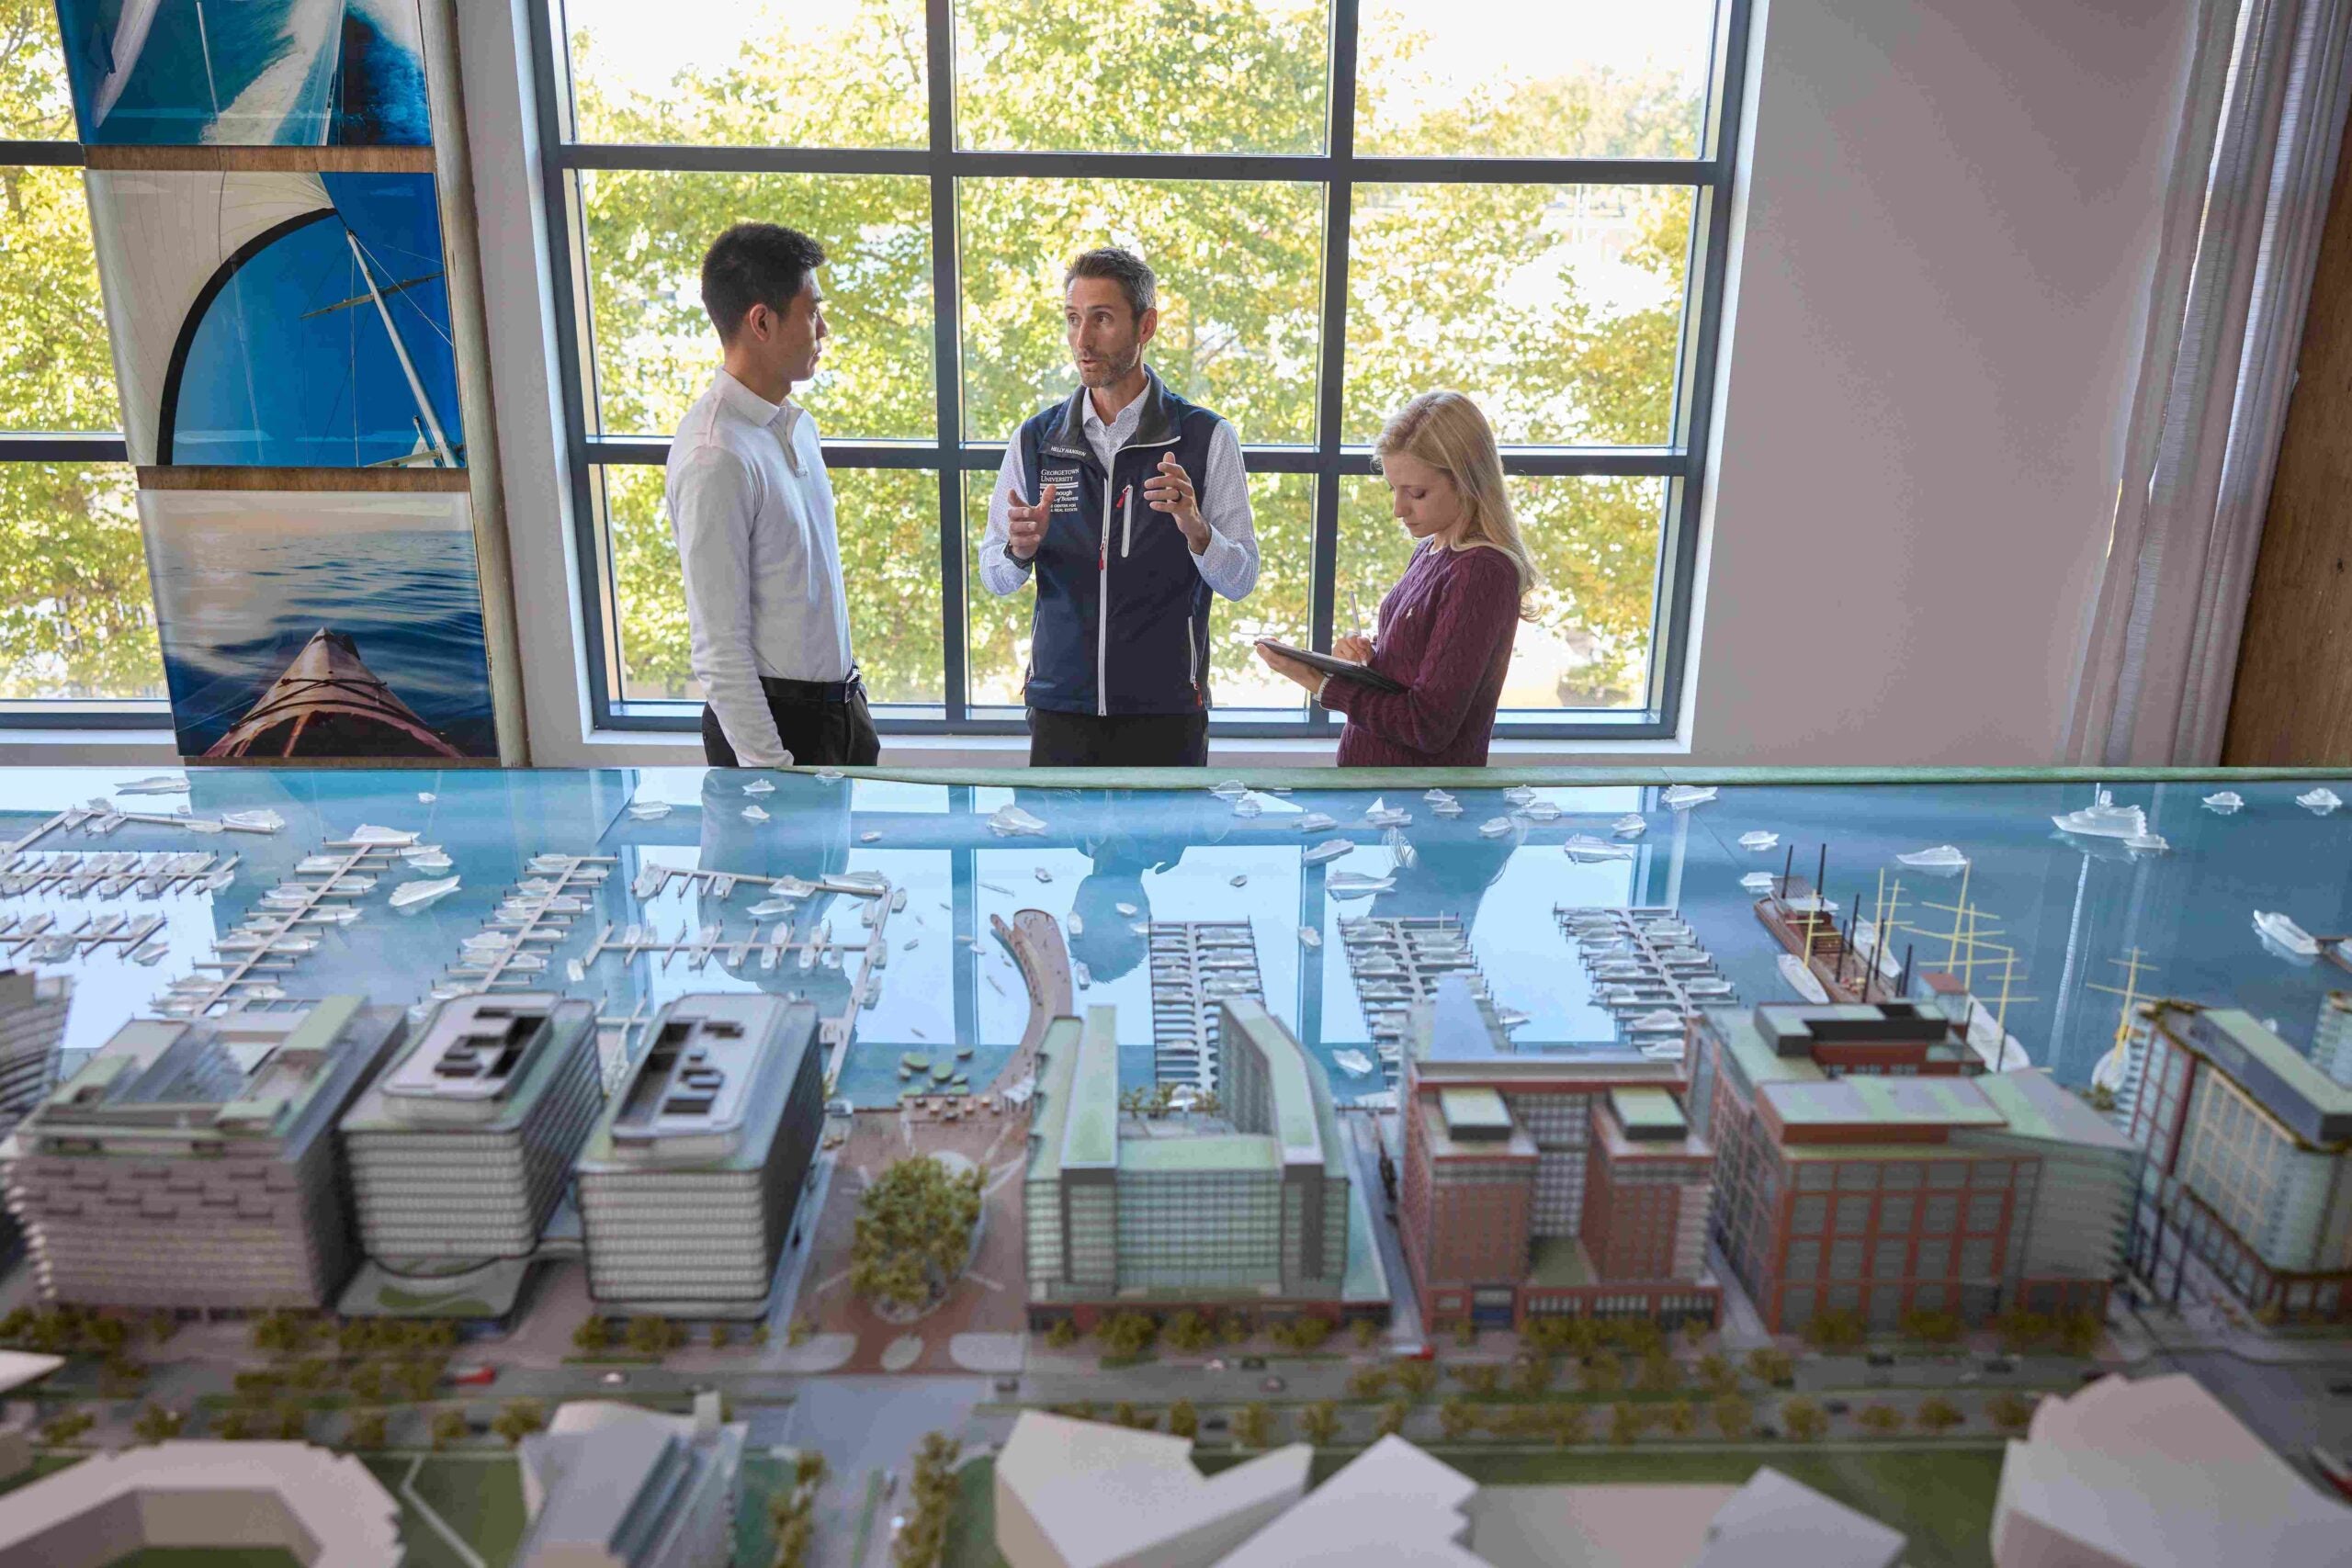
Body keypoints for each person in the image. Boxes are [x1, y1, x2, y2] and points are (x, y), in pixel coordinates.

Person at [977, 247, 1259, 767]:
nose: (1081, 340)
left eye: (1101, 319)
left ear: (1145, 325)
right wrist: (1018, 550)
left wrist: (1196, 530)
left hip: (1168, 712)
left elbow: (1240, 579)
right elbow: (994, 576)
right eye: (1072, 319)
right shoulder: (1036, 440)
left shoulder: (1206, 437)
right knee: (1055, 851)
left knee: (1159, 849)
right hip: (1061, 708)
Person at [668, 221, 876, 770]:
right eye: (812, 311)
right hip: (777, 734)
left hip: (840, 715)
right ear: (762, 321)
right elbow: (718, 648)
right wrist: (771, 768)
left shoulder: (794, 425)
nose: (823, 328)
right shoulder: (716, 455)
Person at [1256, 391, 1533, 766]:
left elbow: (1427, 726)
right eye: (1393, 489)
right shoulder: (1431, 550)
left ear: (1468, 481)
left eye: (1416, 493)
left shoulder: (1481, 571)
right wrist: (1372, 662)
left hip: (1419, 804)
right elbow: (1415, 676)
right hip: (1385, 797)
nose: (1398, 510)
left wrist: (1319, 682)